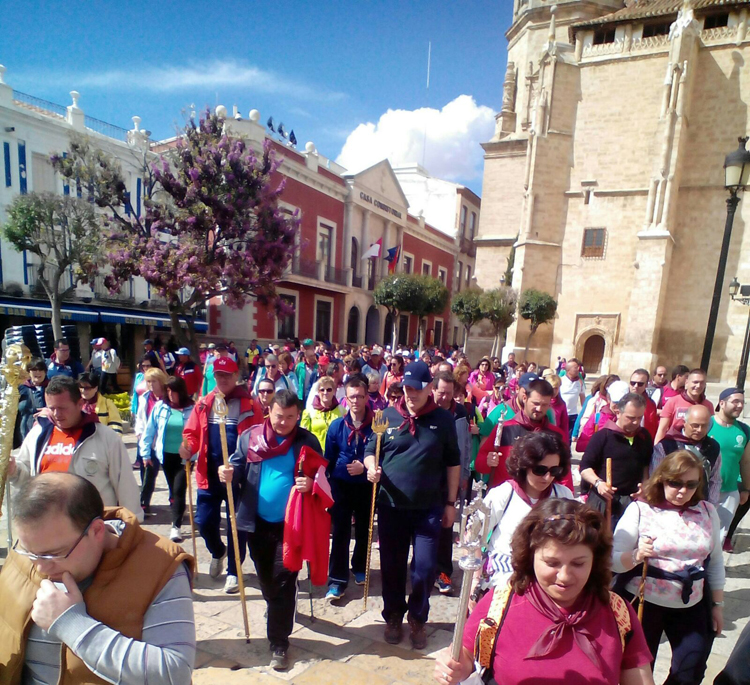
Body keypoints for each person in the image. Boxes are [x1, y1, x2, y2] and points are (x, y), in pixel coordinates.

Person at [0, 473, 195, 684]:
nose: (40, 566)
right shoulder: (29, 550)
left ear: (96, 530)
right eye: (31, 553)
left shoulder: (161, 566)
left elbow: (174, 674)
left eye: (55, 554)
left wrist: (71, 624)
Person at [434, 498, 654, 685]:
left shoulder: (617, 613)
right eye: (552, 563)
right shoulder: (499, 603)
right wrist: (454, 666)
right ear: (530, 557)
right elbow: (464, 655)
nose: (565, 576)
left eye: (578, 564)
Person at [218, 390, 322, 671]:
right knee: (267, 579)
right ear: (269, 411)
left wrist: (311, 484)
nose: (283, 422)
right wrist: (227, 473)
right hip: (256, 521)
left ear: (297, 416)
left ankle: (279, 643)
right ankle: (276, 604)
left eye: (290, 417)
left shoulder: (306, 441)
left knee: (284, 580)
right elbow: (237, 470)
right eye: (279, 416)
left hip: (291, 525)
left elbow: (321, 476)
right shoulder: (249, 438)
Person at [365, 361, 460, 649]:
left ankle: (418, 617)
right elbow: (371, 450)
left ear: (429, 388)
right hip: (391, 506)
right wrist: (371, 468)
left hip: (428, 509)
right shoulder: (385, 416)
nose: (410, 395)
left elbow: (453, 463)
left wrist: (451, 503)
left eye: (416, 389)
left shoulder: (443, 420)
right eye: (406, 389)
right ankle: (393, 614)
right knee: (392, 567)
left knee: (425, 568)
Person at [612, 451, 725, 684]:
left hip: (690, 603)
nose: (682, 491)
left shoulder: (707, 511)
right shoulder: (640, 509)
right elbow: (611, 560)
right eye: (675, 483)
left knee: (691, 667)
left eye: (691, 484)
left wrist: (717, 605)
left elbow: (714, 562)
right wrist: (636, 555)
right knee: (638, 672)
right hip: (644, 603)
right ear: (662, 479)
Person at [7, 376, 142, 521]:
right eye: (51, 408)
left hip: (92, 527)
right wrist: (14, 470)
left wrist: (131, 524)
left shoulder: (106, 437)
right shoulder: (37, 434)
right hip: (46, 524)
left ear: (80, 403)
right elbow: (27, 480)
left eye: (63, 408)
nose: (57, 414)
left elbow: (125, 485)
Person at [180, 356, 256, 591]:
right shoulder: (204, 403)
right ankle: (218, 551)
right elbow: (191, 432)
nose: (222, 379)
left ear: (236, 377)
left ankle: (234, 569)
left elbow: (255, 437)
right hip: (209, 473)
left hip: (238, 475)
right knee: (204, 522)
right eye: (218, 375)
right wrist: (188, 447)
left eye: (227, 375)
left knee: (237, 524)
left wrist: (239, 466)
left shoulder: (250, 405)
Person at [474, 431, 574, 603]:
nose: (547, 477)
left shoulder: (563, 496)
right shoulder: (503, 494)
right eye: (540, 470)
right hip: (504, 580)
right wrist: (475, 581)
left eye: (554, 470)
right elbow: (475, 536)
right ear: (524, 466)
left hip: (548, 582)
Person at [324, 376, 373, 601]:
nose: (356, 400)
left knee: (364, 530)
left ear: (366, 397)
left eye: (360, 396)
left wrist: (364, 466)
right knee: (341, 532)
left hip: (365, 487)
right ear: (346, 398)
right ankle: (337, 579)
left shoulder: (376, 426)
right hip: (341, 487)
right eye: (352, 396)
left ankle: (360, 566)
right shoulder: (337, 426)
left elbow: (381, 453)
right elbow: (329, 459)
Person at [475, 379, 572, 491]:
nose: (539, 409)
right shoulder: (504, 429)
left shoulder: (556, 435)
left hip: (543, 503)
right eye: (535, 403)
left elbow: (565, 473)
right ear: (525, 398)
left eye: (544, 405)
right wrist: (488, 461)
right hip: (507, 499)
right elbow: (480, 464)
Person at [580, 392, 652, 530]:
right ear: (618, 412)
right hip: (603, 500)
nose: (636, 422)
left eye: (639, 417)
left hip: (632, 501)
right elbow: (585, 468)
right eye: (630, 418)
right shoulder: (603, 436)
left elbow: (645, 466)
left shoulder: (644, 436)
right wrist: (598, 483)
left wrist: (644, 486)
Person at [140, 376, 195, 542]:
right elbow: (149, 431)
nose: (171, 394)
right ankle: (177, 508)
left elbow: (199, 433)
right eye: (168, 390)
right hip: (165, 455)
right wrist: (145, 454)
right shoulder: (160, 407)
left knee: (179, 489)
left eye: (174, 391)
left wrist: (195, 454)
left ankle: (176, 526)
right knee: (173, 489)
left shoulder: (192, 408)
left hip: (184, 457)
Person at [432, 370, 472, 596]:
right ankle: (423, 568)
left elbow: (465, 445)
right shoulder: (426, 412)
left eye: (449, 393)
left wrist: (464, 474)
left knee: (446, 526)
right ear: (433, 390)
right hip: (428, 479)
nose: (444, 397)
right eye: (441, 392)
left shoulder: (460, 413)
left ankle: (443, 571)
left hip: (451, 479)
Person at [651, 404, 722, 506]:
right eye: (695, 425)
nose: (699, 430)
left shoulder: (713, 447)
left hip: (699, 506)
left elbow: (715, 479)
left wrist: (710, 506)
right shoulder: (666, 446)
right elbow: (655, 476)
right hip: (669, 505)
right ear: (684, 423)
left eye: (704, 426)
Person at [708, 388, 750, 548]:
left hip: (729, 492)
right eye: (735, 401)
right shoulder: (707, 424)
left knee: (718, 537)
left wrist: (746, 488)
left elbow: (746, 462)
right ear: (722, 403)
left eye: (742, 402)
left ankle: (711, 571)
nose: (739, 405)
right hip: (705, 490)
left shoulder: (744, 431)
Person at [135, 367, 169, 514]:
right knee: (147, 471)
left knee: (170, 474)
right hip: (148, 441)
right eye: (148, 381)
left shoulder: (168, 398)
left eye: (153, 381)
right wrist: (140, 434)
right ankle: (144, 502)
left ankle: (174, 501)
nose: (150, 385)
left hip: (165, 441)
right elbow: (140, 419)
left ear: (161, 381)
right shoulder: (145, 398)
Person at [655, 368, 713, 443]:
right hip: (675, 445)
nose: (698, 386)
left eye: (702, 383)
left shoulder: (708, 405)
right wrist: (658, 449)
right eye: (695, 382)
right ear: (687, 383)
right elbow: (662, 430)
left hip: (699, 447)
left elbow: (710, 428)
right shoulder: (673, 401)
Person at [576, 378, 628, 453]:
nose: (618, 406)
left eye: (622, 403)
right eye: (615, 402)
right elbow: (580, 446)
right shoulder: (596, 418)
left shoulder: (632, 420)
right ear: (608, 399)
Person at [301, 375, 345, 447]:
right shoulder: (309, 411)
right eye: (322, 390)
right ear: (318, 392)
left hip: (335, 453)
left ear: (334, 391)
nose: (325, 392)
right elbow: (304, 436)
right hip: (316, 452)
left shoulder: (342, 411)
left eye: (329, 390)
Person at [16, 358, 48, 447]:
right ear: (28, 372)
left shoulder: (51, 387)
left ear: (45, 372)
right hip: (25, 428)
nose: (38, 372)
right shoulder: (21, 388)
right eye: (34, 369)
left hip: (45, 428)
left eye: (41, 369)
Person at [628, 369, 659, 439]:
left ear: (646, 385)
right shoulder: (622, 401)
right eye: (633, 383)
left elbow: (653, 427)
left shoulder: (651, 404)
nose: (635, 386)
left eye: (640, 384)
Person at [559, 359, 586, 439]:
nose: (578, 369)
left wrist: (583, 412)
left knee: (569, 438)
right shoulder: (560, 381)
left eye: (578, 367)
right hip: (561, 414)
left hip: (572, 415)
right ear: (568, 369)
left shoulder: (580, 382)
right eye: (575, 367)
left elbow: (582, 397)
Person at [543, 370, 570, 439]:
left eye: (556, 388)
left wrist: (565, 444)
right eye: (551, 388)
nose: (554, 391)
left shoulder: (561, 404)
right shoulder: (540, 402)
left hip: (555, 437)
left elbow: (564, 426)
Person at [294, 338, 319, 405]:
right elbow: (296, 379)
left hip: (315, 395)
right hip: (302, 396)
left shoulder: (318, 365)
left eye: (308, 346)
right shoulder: (300, 366)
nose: (306, 348)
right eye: (305, 347)